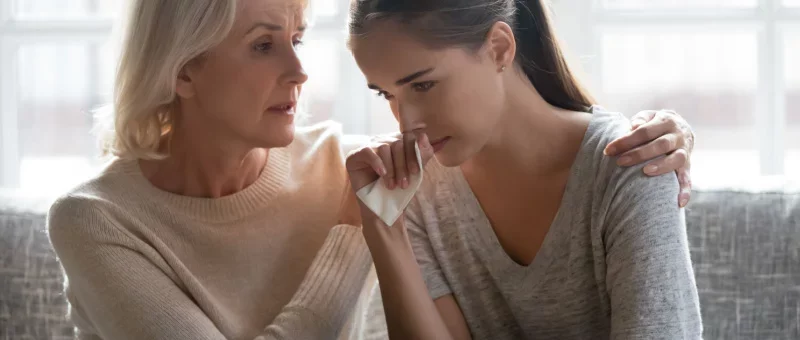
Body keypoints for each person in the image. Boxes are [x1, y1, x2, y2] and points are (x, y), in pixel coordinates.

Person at [47, 0, 695, 339]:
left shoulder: (374, 165)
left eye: (297, 40)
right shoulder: (96, 222)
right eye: (263, 44)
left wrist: (670, 138)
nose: (300, 73)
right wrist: (364, 226)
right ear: (182, 67)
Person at [346, 0, 702, 339]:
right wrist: (382, 226)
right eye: (386, 95)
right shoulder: (416, 191)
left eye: (423, 85)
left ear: (499, 48)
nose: (407, 122)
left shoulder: (631, 168)